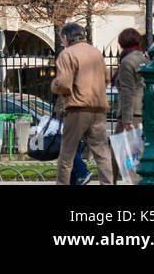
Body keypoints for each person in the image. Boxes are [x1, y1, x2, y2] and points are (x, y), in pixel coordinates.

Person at [51, 22, 114, 185]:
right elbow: (106, 79)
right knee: (102, 153)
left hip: (78, 108)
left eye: (61, 39)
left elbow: (63, 83)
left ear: (65, 38)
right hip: (99, 109)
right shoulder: (96, 53)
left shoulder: (67, 54)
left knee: (67, 155)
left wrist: (54, 85)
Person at [112, 28, 147, 132]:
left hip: (131, 114)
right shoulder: (146, 60)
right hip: (144, 111)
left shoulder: (127, 61)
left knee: (122, 148)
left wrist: (127, 120)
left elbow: (127, 90)